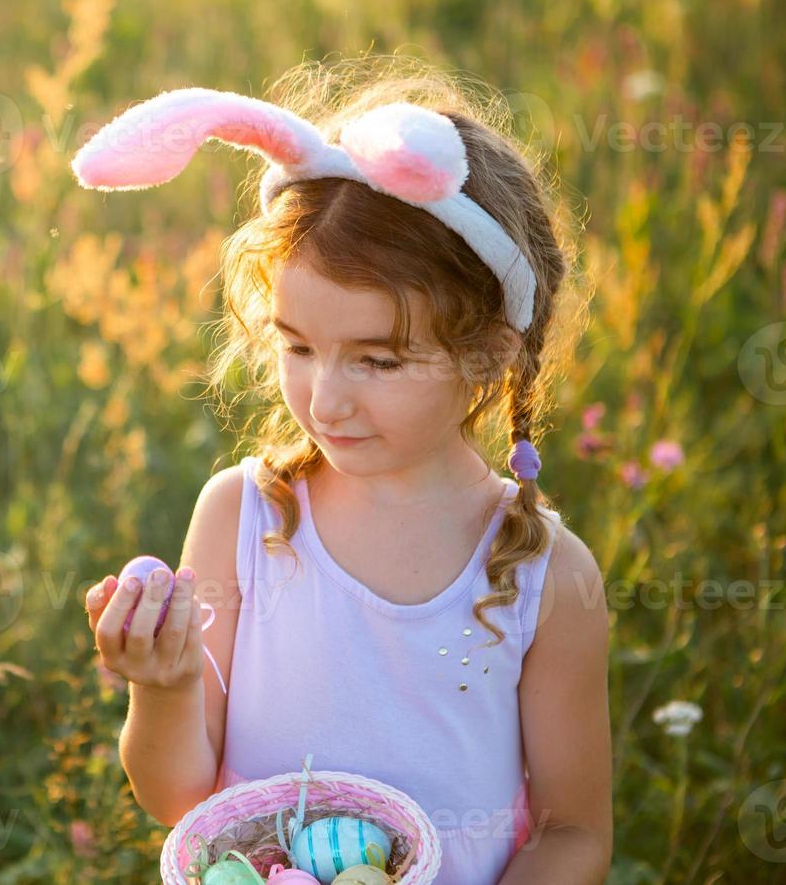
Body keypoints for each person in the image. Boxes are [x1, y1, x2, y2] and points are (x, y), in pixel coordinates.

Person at [80, 58, 611, 884]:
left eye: (378, 361)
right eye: (298, 348)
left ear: (487, 355)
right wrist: (164, 686)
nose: (325, 401)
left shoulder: (545, 577)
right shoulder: (243, 518)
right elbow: (177, 795)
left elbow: (574, 832)